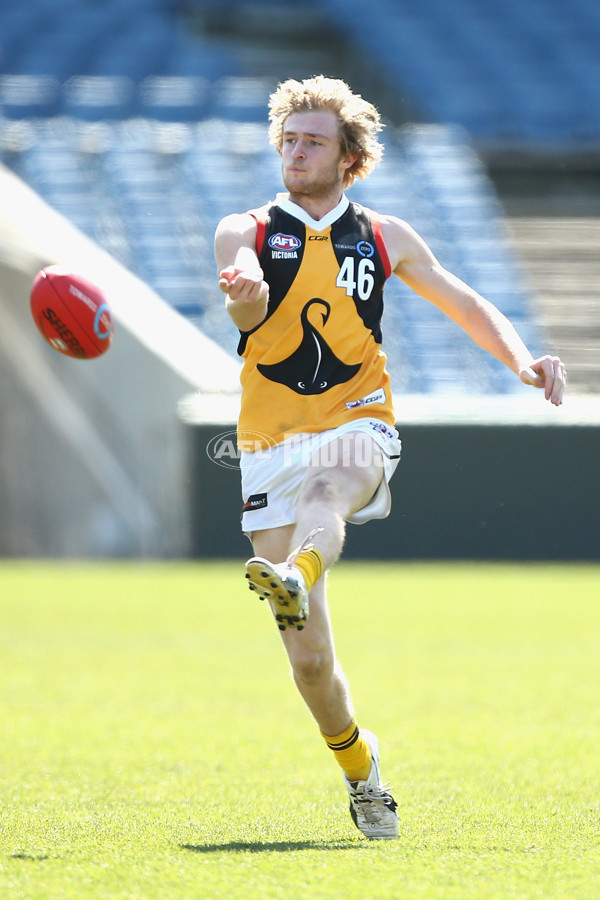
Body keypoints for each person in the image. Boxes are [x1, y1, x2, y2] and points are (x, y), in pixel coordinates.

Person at [214, 75, 566, 841]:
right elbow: (243, 307)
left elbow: (467, 303)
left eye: (312, 141)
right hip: (268, 441)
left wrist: (520, 362)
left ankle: (296, 576)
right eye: (289, 139)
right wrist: (243, 290)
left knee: (328, 491)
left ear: (349, 158)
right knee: (310, 667)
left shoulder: (385, 236)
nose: (296, 151)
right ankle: (360, 767)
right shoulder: (243, 228)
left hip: (358, 418)